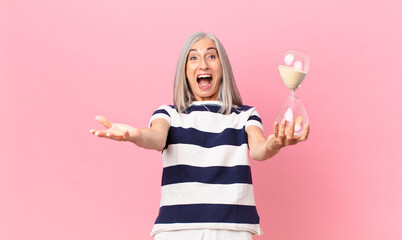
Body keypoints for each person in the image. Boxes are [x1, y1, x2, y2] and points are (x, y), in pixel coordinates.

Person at [90, 32, 310, 240]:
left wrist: (274, 143)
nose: (203, 64)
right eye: (193, 57)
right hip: (177, 229)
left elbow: (260, 149)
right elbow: (155, 137)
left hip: (231, 229)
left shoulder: (245, 115)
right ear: (184, 70)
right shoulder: (169, 113)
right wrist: (135, 135)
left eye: (211, 56)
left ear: (222, 66)